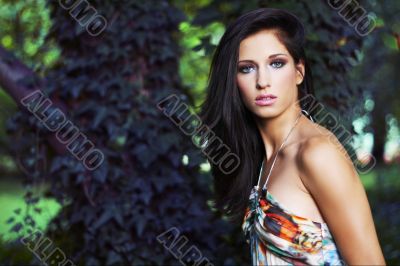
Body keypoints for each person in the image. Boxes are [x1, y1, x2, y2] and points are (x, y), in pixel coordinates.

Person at [199, 7, 386, 265]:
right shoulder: (265, 157)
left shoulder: (316, 153)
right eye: (246, 68)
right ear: (233, 80)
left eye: (276, 63)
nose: (263, 81)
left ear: (299, 72)